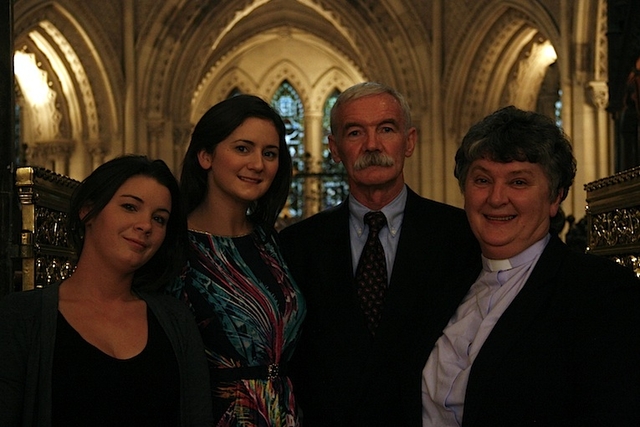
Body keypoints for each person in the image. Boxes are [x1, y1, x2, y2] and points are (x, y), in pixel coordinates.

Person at [421, 106, 640, 426]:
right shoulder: (440, 282)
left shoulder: (603, 294)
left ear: (555, 197)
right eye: (482, 179)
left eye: (518, 182)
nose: (496, 198)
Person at [278, 82, 481, 427]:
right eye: (355, 132)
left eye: (386, 129)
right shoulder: (296, 246)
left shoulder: (462, 236)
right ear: (335, 148)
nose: (372, 145)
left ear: (410, 141)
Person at [0, 155, 213, 427]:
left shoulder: (176, 320)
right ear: (88, 211)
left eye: (159, 219)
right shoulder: (23, 316)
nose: (146, 225)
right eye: (129, 206)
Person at [168, 94, 306, 426]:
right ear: (205, 155)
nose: (258, 164)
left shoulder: (271, 243)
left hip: (284, 412)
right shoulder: (174, 246)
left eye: (269, 153)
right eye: (243, 148)